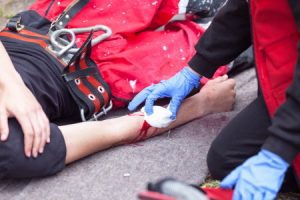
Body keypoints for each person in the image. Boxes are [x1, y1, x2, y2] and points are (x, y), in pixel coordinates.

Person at [0, 0, 235, 178]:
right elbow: (115, 130)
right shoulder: (10, 151)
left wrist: (10, 84)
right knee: (215, 48)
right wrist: (200, 105)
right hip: (94, 74)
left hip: (46, 23)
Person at [129, 0, 300, 199]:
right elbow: (250, 7)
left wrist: (277, 153)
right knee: (228, 158)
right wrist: (195, 69)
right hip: (285, 80)